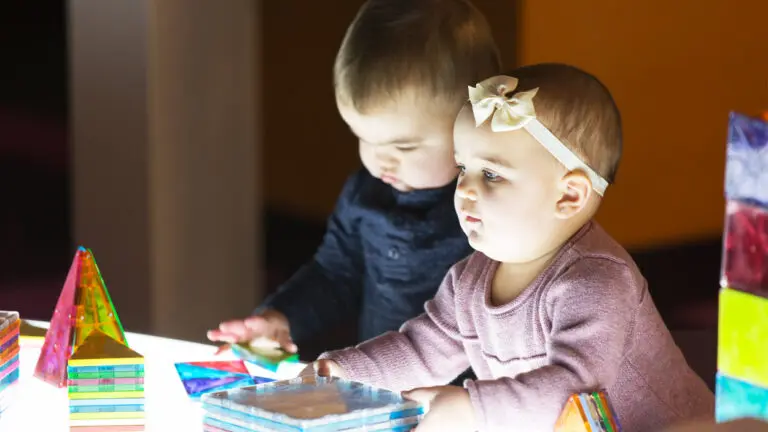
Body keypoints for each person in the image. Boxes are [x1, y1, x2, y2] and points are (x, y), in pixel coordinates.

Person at [309, 64, 715, 432]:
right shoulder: (469, 279)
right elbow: (422, 349)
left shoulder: (597, 279)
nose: (464, 188)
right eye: (463, 168)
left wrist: (473, 410)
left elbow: (575, 386)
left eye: (491, 174)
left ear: (569, 196)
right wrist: (342, 373)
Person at [207, 0, 501, 357]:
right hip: (379, 385)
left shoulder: (493, 207)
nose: (380, 159)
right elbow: (334, 275)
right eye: (365, 138)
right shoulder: (365, 193)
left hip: (468, 398)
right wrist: (279, 318)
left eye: (404, 146)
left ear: (475, 123)